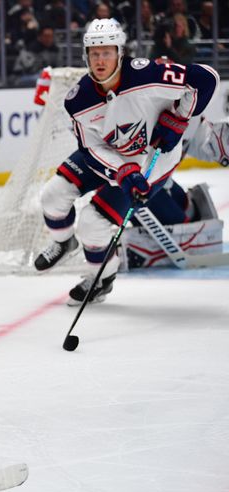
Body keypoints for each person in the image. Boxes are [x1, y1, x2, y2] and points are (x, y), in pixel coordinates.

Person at [33, 18, 219, 304]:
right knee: (52, 196)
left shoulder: (148, 75)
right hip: (110, 157)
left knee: (91, 223)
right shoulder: (77, 101)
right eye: (94, 53)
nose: (100, 60)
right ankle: (62, 242)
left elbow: (206, 79)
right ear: (86, 56)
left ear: (120, 52)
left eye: (106, 52)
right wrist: (122, 170)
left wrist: (180, 118)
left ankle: (102, 278)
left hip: (152, 161)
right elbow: (90, 148)